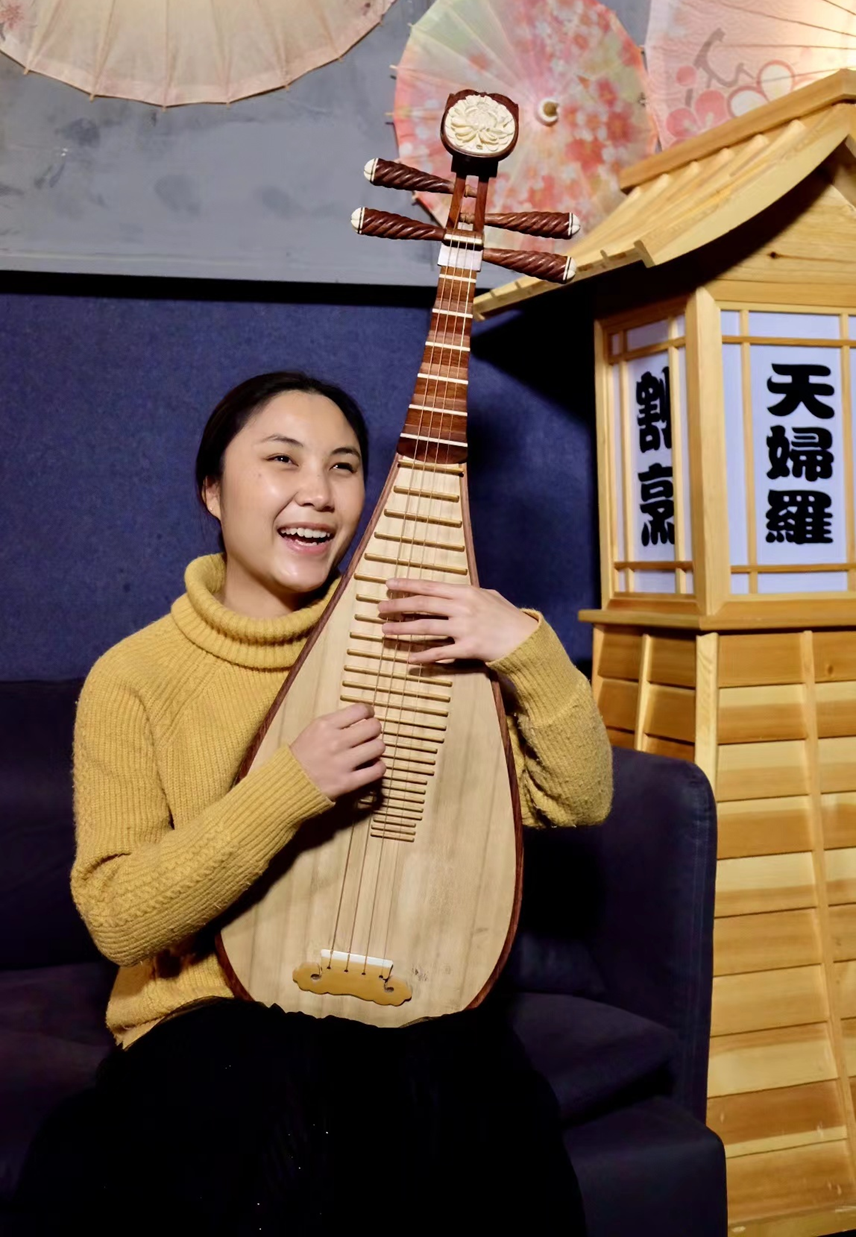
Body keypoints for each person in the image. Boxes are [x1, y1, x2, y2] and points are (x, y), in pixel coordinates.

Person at [15, 370, 612, 1234]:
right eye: (282, 460)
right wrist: (288, 789)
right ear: (213, 491)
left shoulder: (416, 645)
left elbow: (578, 801)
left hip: (405, 1013)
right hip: (213, 1027)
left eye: (343, 467)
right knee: (279, 1091)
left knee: (478, 1087)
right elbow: (118, 920)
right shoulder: (135, 678)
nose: (318, 493)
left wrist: (525, 647)